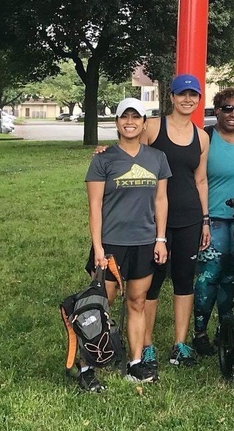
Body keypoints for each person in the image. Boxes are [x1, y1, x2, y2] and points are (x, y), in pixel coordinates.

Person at [82, 98, 170, 390]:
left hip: (144, 242)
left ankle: (135, 363)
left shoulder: (157, 158)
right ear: (117, 123)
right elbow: (94, 207)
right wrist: (98, 248)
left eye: (136, 117)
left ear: (145, 123)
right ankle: (85, 367)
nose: (130, 121)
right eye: (124, 117)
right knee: (99, 306)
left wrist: (160, 238)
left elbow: (160, 200)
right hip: (111, 245)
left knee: (137, 301)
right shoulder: (103, 160)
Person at [140, 73, 210, 370]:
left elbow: (201, 179)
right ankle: (145, 345)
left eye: (193, 95)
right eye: (182, 94)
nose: (187, 99)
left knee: (184, 280)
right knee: (151, 282)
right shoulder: (153, 128)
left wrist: (205, 220)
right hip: (155, 219)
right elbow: (130, 155)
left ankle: (180, 344)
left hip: (189, 217)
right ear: (171, 96)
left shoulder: (202, 136)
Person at [192, 87, 234, 357]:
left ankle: (225, 329)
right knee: (209, 276)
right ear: (216, 110)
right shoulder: (206, 137)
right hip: (213, 219)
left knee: (231, 277)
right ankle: (200, 332)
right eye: (227, 108)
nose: (233, 114)